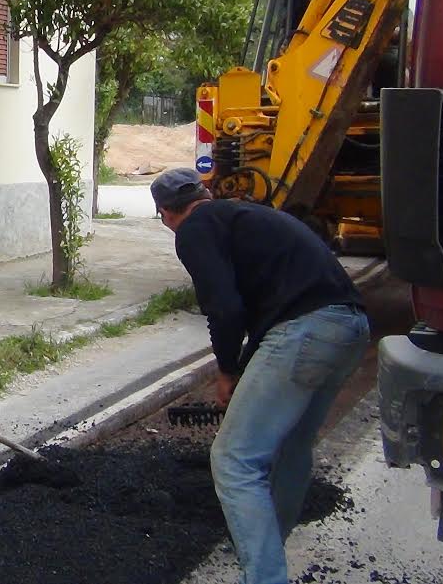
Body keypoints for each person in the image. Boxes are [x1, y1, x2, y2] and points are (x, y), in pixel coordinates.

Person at [150, 168, 369, 584]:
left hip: (305, 331)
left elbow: (225, 308)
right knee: (290, 447)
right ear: (206, 192)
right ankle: (269, 551)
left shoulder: (194, 228)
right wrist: (246, 363)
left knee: (234, 460)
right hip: (349, 327)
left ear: (165, 213)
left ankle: (265, 575)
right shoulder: (244, 217)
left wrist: (228, 370)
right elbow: (266, 310)